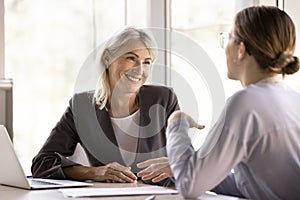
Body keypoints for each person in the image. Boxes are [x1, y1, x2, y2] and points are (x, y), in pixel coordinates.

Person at [166, 6, 300, 200]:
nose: (225, 46)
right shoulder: (293, 99)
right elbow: (256, 185)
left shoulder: (245, 103)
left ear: (241, 50)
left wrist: (177, 122)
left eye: (228, 37)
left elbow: (190, 186)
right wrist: (200, 169)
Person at [31, 27, 180, 186]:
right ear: (108, 58)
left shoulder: (163, 99)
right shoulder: (82, 107)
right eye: (131, 58)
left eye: (147, 62)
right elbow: (42, 163)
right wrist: (95, 172)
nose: (140, 69)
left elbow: (186, 160)